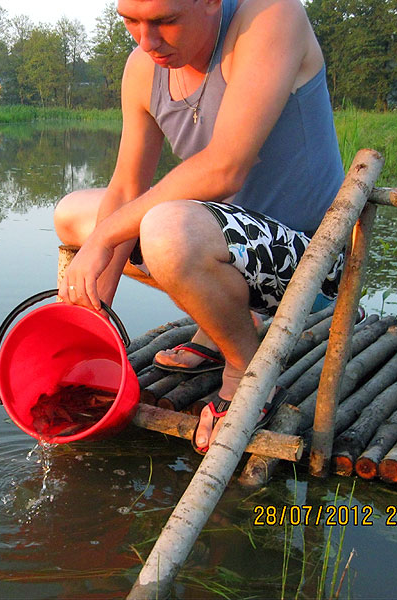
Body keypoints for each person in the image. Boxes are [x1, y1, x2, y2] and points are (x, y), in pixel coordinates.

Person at [54, 0, 345, 453]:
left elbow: (224, 169)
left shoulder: (270, 19)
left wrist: (107, 236)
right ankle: (221, 320)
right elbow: (128, 186)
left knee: (164, 231)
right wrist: (93, 321)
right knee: (73, 215)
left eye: (165, 21)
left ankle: (249, 374)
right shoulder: (142, 69)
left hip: (309, 262)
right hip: (219, 241)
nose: (146, 41)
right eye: (130, 21)